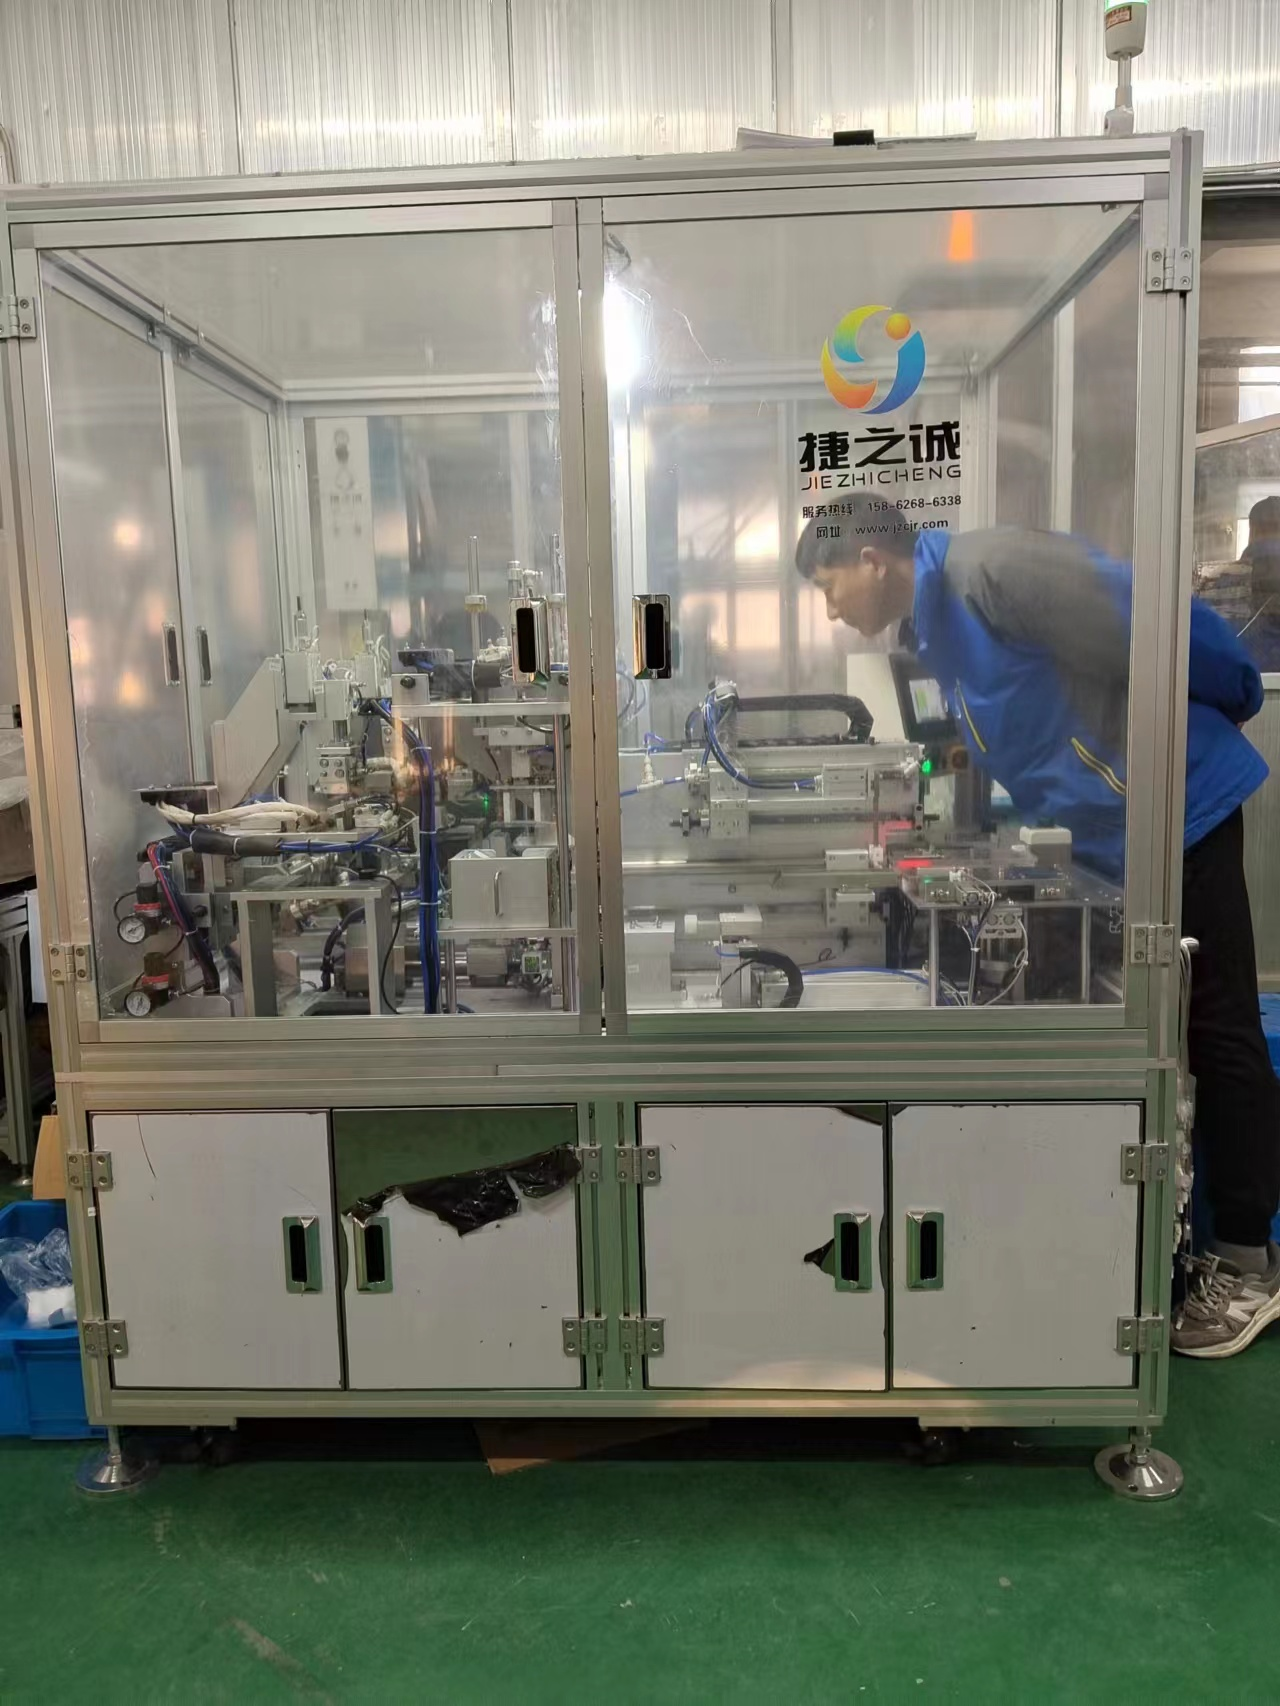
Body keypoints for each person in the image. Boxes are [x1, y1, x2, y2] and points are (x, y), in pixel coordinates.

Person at [796, 495, 1280, 1358]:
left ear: (869, 560)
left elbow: (1152, 624)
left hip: (1180, 811)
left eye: (828, 584)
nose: (830, 607)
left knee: (1215, 1022)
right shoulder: (934, 629)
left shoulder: (994, 571)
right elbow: (1014, 731)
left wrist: (1240, 692)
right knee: (1140, 1023)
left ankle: (1248, 1261)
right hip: (1107, 842)